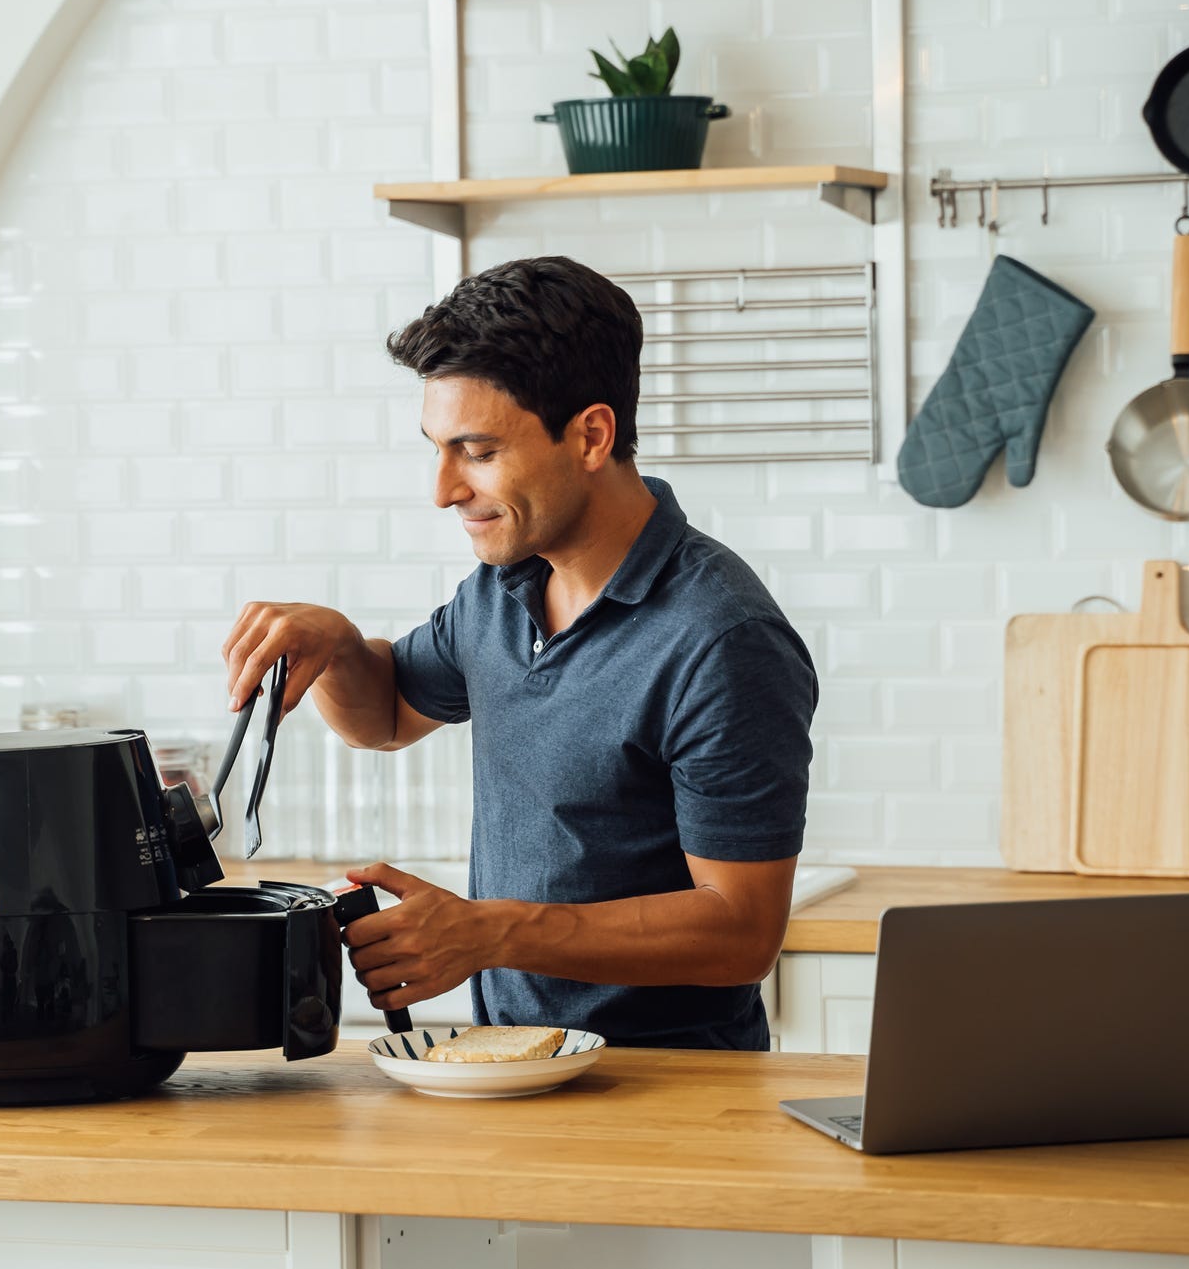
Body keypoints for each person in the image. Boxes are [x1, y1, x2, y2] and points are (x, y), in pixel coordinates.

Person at [220, 256, 816, 1050]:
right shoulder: (501, 589)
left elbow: (741, 932)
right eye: (437, 447)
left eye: (477, 450)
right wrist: (336, 647)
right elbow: (387, 715)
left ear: (592, 435)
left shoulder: (721, 639)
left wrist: (491, 931)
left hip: (668, 1091)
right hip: (514, 1067)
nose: (443, 489)